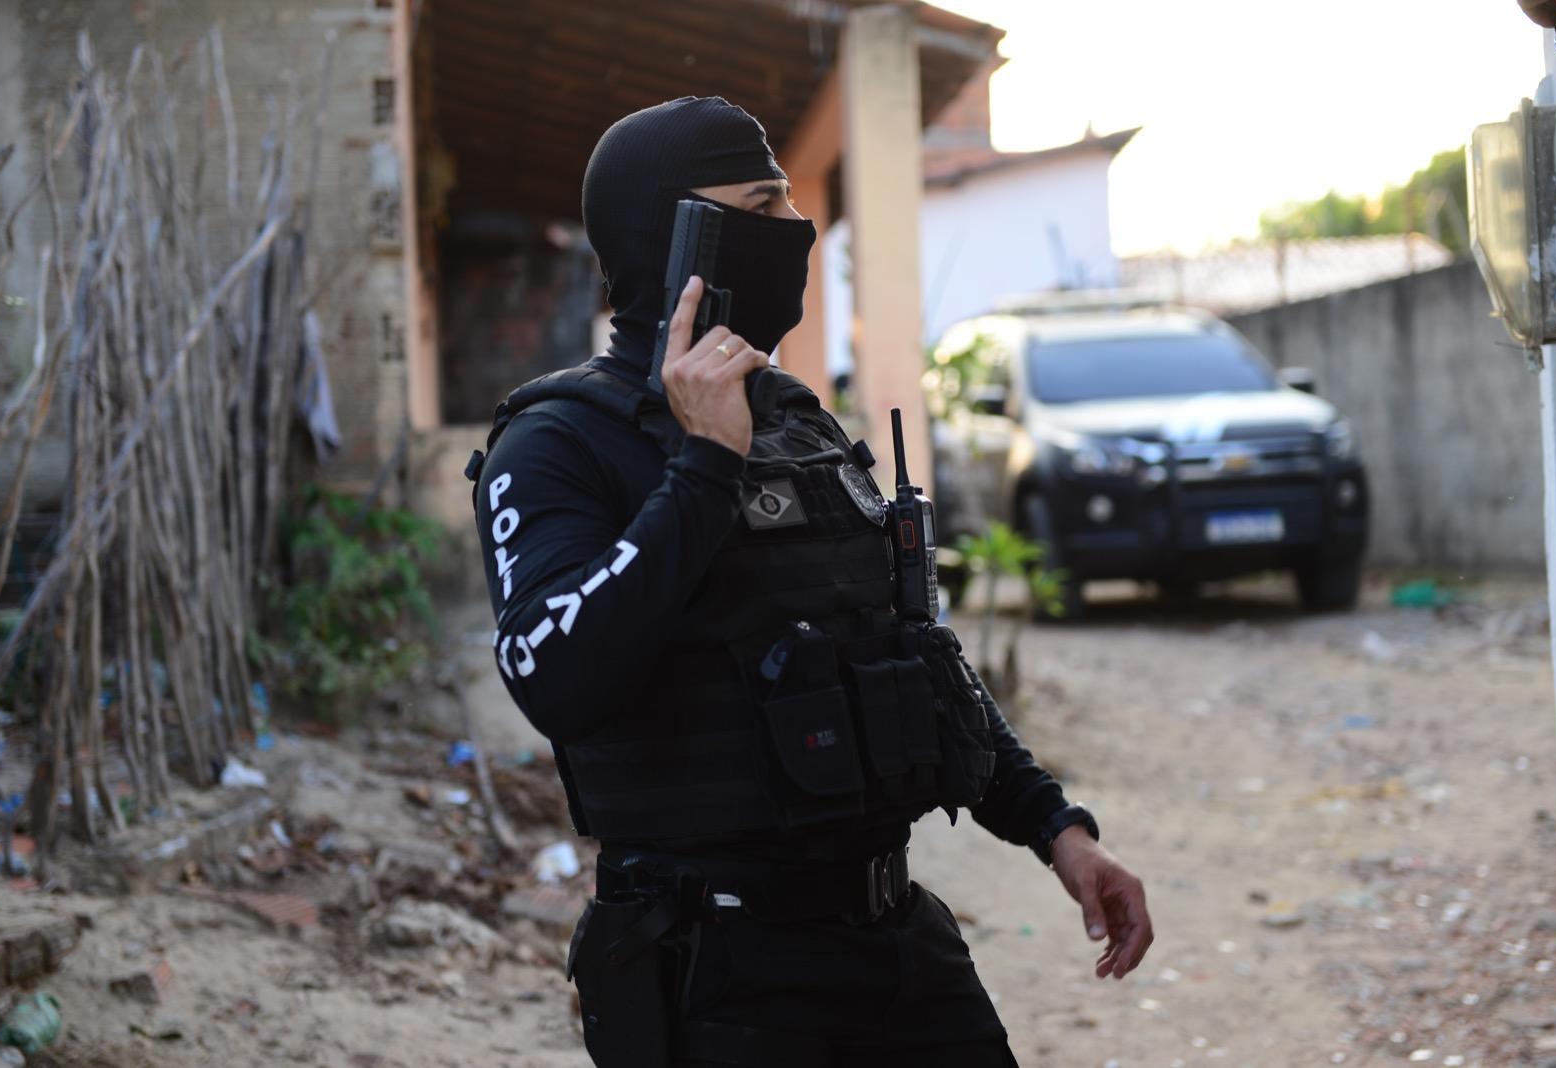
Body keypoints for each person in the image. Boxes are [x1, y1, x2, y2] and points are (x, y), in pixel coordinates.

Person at [471, 96, 1153, 1067]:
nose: (796, 230)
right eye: (763, 205)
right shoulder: (557, 443)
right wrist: (703, 469)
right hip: (718, 975)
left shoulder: (797, 419)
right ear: (678, 237)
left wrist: (1057, 829)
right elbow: (553, 675)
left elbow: (912, 656)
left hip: (897, 947)